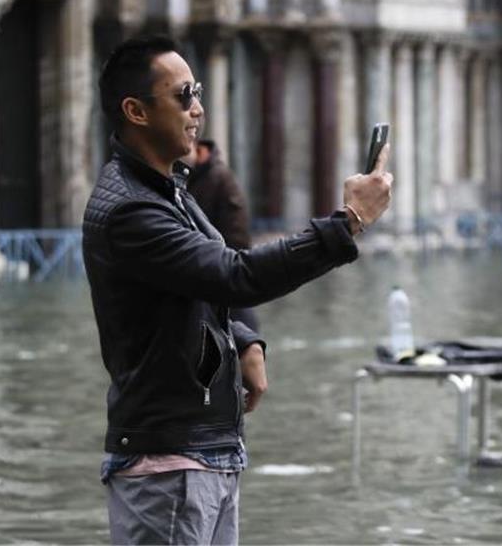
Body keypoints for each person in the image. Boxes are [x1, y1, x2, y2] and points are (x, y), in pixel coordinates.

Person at [82, 35, 392, 545]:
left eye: (197, 92)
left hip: (202, 453)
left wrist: (244, 338)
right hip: (168, 463)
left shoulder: (169, 190)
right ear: (136, 111)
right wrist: (346, 223)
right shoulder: (130, 210)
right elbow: (234, 273)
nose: (198, 109)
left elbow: (198, 282)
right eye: (183, 95)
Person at [184, 138, 260, 332]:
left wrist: (230, 266)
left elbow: (237, 231)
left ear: (197, 150)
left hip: (224, 272)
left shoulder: (219, 177)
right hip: (203, 276)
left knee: (242, 333)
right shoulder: (186, 179)